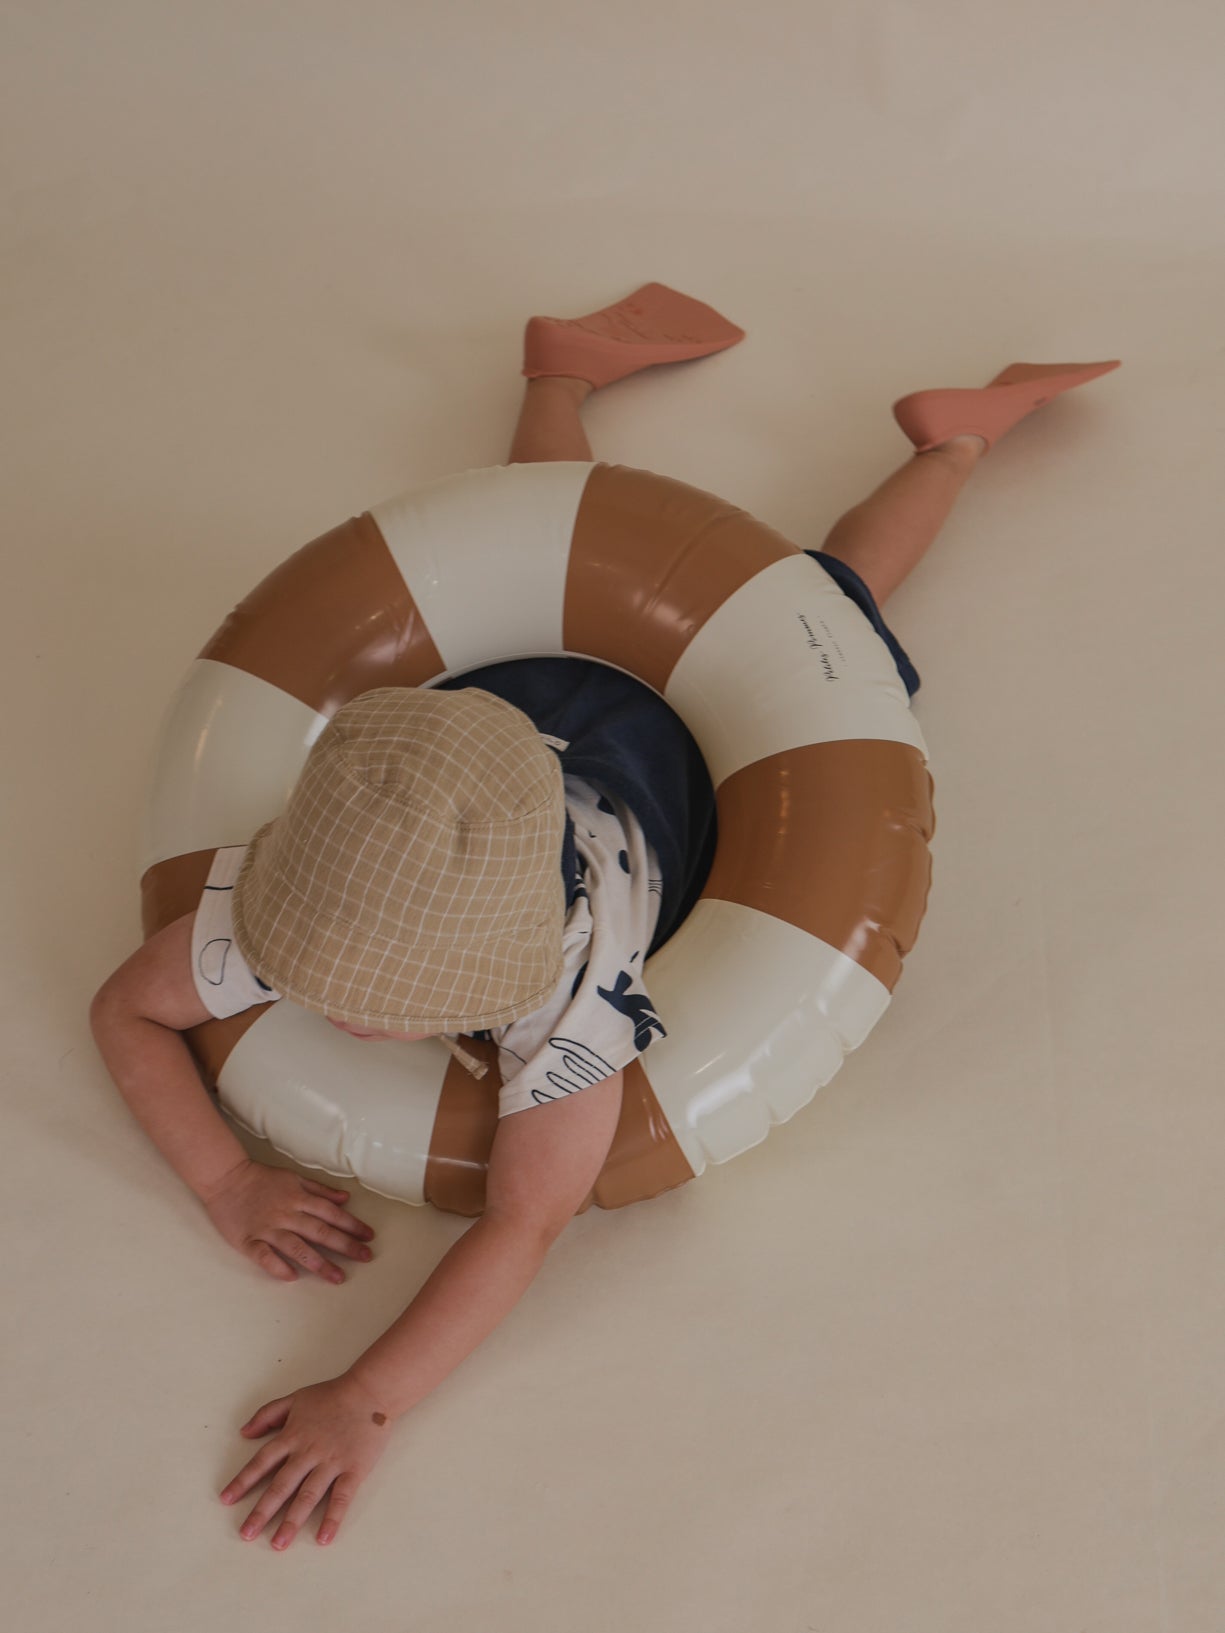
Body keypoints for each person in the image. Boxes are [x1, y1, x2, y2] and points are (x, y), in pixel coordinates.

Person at [89, 282, 1119, 1551]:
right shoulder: (296, 885)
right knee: (538, 536)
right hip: (508, 703)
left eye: (375, 1004)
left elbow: (525, 1219)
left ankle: (949, 442)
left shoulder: (569, 996)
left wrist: (368, 1398)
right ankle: (559, 375)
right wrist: (228, 1180)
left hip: (671, 763)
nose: (335, 1013)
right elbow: (126, 1009)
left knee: (834, 594)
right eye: (315, 982)